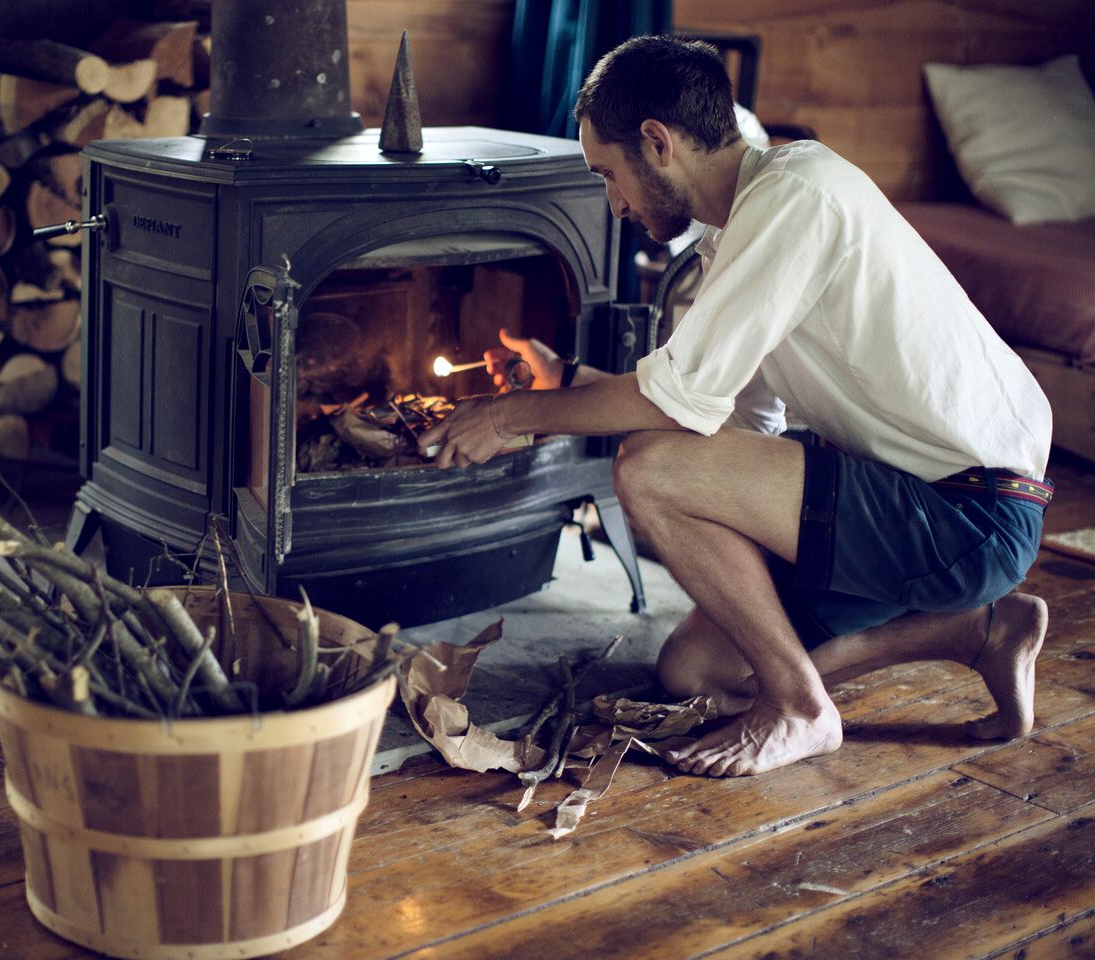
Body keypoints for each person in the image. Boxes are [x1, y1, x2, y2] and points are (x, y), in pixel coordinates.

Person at [416, 36, 1053, 778]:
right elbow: (732, 422)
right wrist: (566, 378)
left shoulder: (797, 194)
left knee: (651, 471)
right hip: (902, 501)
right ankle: (983, 632)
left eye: (608, 175)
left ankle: (802, 709)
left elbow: (679, 421)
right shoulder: (738, 232)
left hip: (970, 512)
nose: (613, 203)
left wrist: (509, 416)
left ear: (657, 143)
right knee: (698, 673)